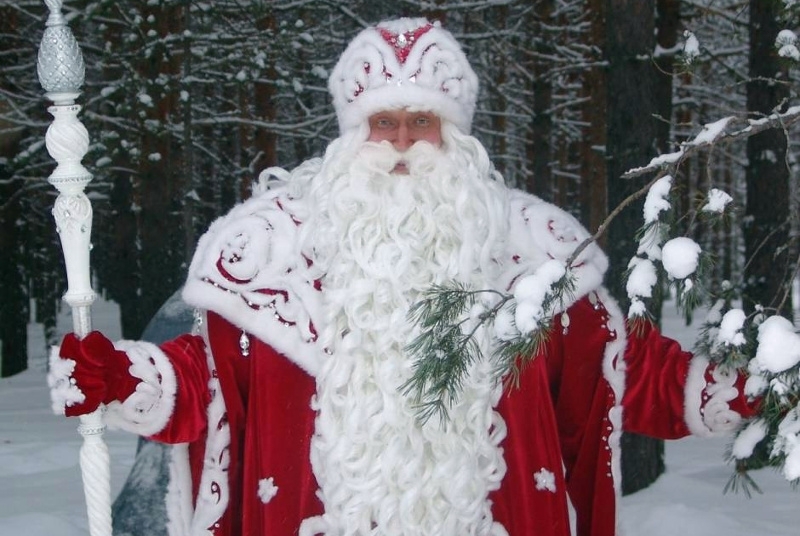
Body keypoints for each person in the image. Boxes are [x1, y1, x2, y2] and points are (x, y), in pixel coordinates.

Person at [48, 17, 754, 536]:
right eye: (383, 121)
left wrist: (739, 387)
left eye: (423, 120)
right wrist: (123, 379)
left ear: (457, 133)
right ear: (352, 132)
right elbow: (207, 379)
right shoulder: (272, 249)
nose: (404, 141)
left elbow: (619, 367)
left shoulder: (531, 250)